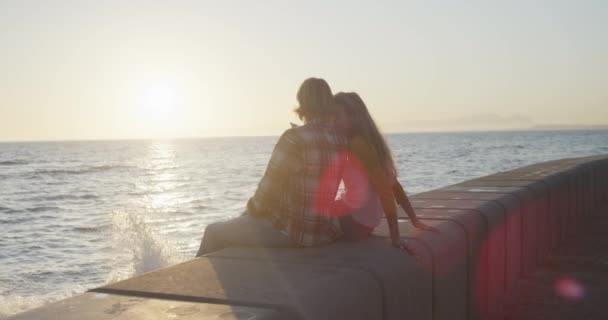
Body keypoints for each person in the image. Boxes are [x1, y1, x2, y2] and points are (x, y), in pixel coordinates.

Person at [196, 78, 349, 256]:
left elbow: (268, 189)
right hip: (323, 232)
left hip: (294, 233)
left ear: (303, 103)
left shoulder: (294, 138)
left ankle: (188, 284)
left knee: (214, 232)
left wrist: (249, 212)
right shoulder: (341, 140)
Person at [332, 92, 436, 249]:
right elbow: (394, 184)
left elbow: (385, 190)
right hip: (366, 224)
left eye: (337, 116)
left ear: (353, 117)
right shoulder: (373, 144)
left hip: (352, 222)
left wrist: (395, 238)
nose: (332, 121)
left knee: (304, 216)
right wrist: (414, 219)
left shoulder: (358, 145)